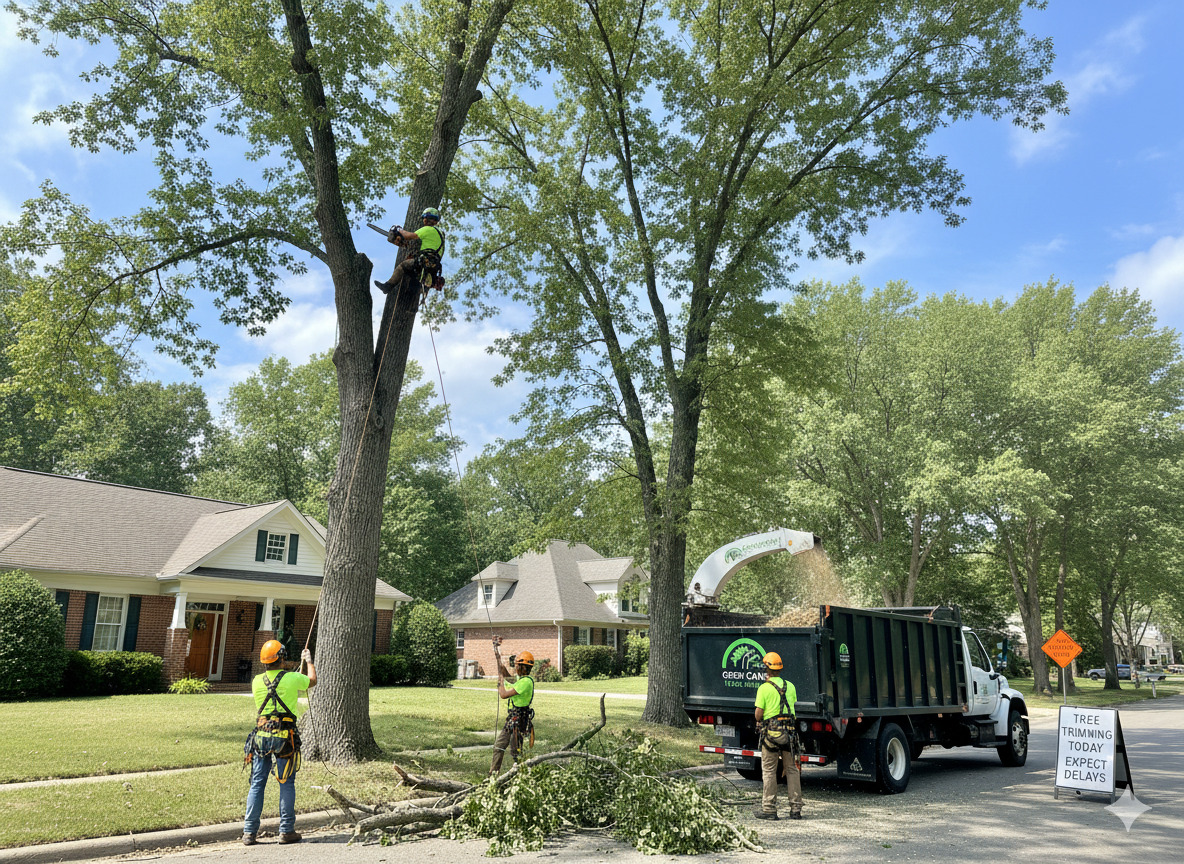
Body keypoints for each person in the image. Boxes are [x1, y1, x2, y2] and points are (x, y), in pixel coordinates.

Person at [242, 640, 316, 846]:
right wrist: (308, 661)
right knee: (286, 782)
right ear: (281, 658)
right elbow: (311, 680)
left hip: (261, 738)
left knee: (257, 783)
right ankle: (286, 830)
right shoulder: (292, 678)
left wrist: (299, 667)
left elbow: (287, 681)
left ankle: (249, 832)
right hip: (285, 738)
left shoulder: (257, 680)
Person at [753, 651, 802, 821]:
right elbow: (790, 707)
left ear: (766, 669)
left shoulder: (764, 688)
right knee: (792, 770)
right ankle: (796, 809)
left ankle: (769, 810)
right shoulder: (791, 686)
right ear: (780, 669)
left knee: (769, 771)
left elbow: (758, 715)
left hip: (771, 736)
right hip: (789, 735)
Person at [488, 638, 535, 776]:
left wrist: (499, 682)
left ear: (523, 667)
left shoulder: (526, 682)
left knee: (516, 752)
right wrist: (497, 651)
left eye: (517, 666)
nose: (515, 668)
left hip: (520, 719)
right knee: (499, 746)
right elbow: (503, 670)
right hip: (512, 718)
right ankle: (492, 776)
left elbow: (503, 694)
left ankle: (521, 776)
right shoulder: (520, 680)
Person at [374, 207, 446, 294]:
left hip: (424, 262)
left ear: (426, 219)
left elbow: (409, 236)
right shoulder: (441, 234)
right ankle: (416, 289)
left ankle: (387, 286)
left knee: (403, 266)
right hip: (434, 267)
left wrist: (398, 230)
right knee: (413, 283)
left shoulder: (427, 229)